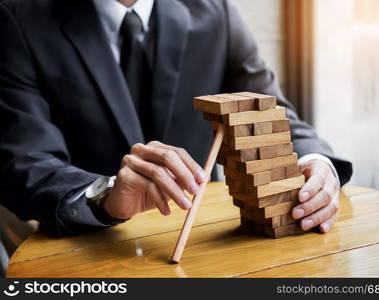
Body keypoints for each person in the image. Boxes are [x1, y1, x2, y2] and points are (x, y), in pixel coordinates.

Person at [0, 0, 352, 238]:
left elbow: (271, 110)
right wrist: (104, 195)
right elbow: (23, 160)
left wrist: (315, 162)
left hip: (208, 238)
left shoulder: (215, 9)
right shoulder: (18, 17)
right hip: (88, 246)